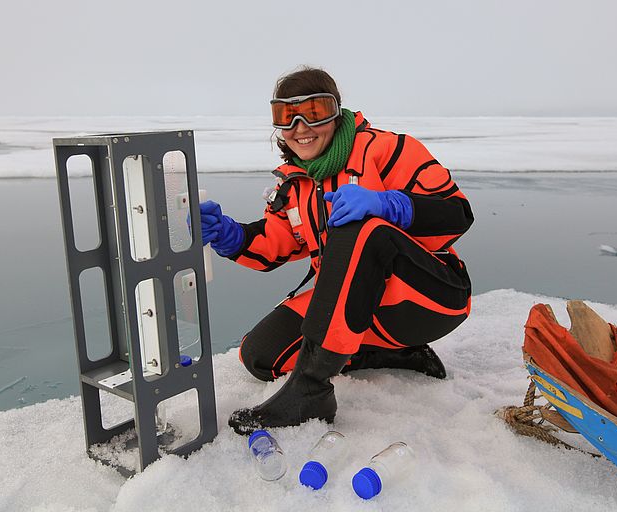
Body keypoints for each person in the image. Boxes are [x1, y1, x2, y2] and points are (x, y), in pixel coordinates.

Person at [198, 67, 474, 435]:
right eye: (286, 115)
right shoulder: (294, 182)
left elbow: (458, 214)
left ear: (336, 112)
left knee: (361, 229)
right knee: (259, 354)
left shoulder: (386, 149)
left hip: (428, 297)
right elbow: (277, 241)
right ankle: (393, 352)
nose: (300, 127)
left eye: (314, 112)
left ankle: (311, 389)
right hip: (356, 307)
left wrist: (390, 204)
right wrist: (234, 236)